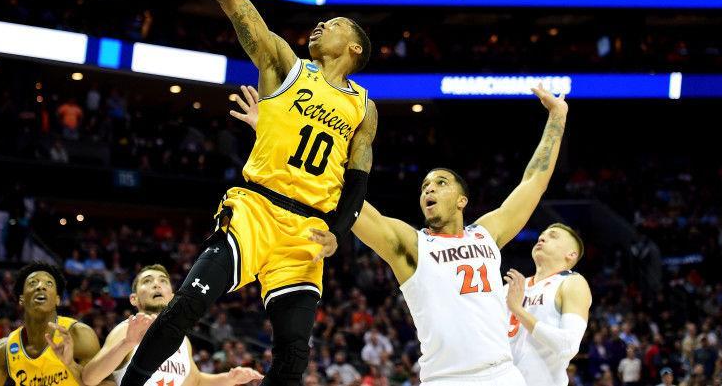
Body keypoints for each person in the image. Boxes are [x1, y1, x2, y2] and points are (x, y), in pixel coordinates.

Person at [122, 0, 377, 386]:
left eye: (336, 23)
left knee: (294, 353)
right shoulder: (286, 64)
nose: (322, 24)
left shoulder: (364, 107)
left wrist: (339, 233)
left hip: (306, 230)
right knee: (184, 309)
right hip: (256, 208)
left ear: (354, 49)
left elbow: (359, 177)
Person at [229, 83, 568, 384]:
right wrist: (280, 142)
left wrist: (557, 116)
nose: (428, 189)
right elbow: (346, 199)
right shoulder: (412, 244)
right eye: (424, 186)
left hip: (503, 373)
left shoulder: (487, 234)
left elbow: (533, 182)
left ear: (462, 200)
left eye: (440, 183)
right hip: (445, 378)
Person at [81, 264, 260, 386]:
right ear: (133, 299)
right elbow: (89, 378)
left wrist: (228, 378)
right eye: (147, 281)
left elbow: (196, 381)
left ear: (172, 296)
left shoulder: (183, 340)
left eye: (163, 281)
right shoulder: (126, 329)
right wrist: (127, 343)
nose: (156, 285)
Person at [0, 262, 108, 386]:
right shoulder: (4, 349)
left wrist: (71, 365)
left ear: (57, 299)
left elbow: (106, 385)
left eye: (49, 284)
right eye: (33, 283)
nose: (41, 287)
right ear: (21, 299)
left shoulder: (79, 335)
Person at [503, 224, 592, 386]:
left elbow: (568, 345)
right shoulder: (511, 288)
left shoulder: (571, 282)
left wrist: (518, 310)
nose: (542, 238)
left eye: (553, 236)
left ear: (571, 255)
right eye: (542, 235)